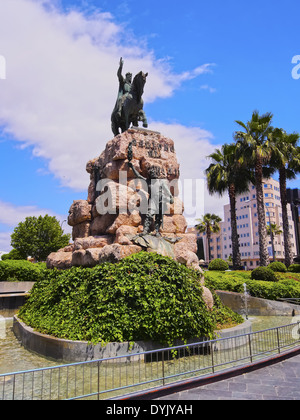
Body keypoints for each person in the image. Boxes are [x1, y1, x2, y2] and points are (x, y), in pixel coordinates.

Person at [128, 162, 174, 235]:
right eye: (151, 173)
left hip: (160, 199)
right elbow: (138, 176)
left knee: (159, 217)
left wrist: (170, 197)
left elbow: (167, 191)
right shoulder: (148, 181)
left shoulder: (161, 182)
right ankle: (145, 230)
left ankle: (157, 230)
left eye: (154, 173)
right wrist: (132, 167)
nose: (153, 174)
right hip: (152, 199)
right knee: (149, 214)